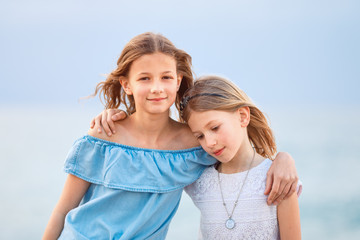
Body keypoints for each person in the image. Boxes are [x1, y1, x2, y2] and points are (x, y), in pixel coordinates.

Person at [43, 32, 298, 240]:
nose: (156, 88)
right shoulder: (104, 135)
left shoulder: (195, 145)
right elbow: (63, 210)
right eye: (144, 78)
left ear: (178, 81)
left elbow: (240, 163)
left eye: (166, 77)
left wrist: (283, 159)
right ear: (126, 85)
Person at [181, 75, 301, 239]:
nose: (209, 142)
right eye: (199, 136)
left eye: (215, 127)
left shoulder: (279, 180)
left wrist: (284, 158)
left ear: (243, 116)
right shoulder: (198, 179)